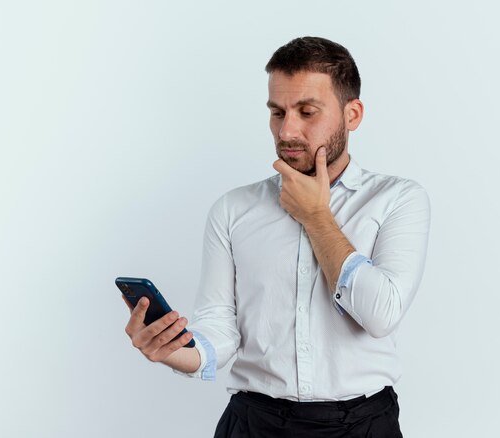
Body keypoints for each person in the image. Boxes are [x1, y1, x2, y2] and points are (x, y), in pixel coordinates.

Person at [123, 36, 431, 437]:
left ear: (352, 114)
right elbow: (219, 328)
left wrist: (317, 217)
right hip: (254, 423)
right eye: (277, 112)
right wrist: (175, 352)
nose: (287, 131)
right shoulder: (234, 209)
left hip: (362, 425)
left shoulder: (397, 200)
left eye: (307, 112)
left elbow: (380, 314)